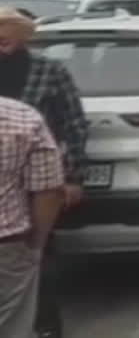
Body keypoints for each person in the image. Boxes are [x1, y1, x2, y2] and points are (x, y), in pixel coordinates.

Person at [0, 7, 87, 338]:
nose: (0, 36)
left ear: (22, 35)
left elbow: (75, 124)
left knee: (40, 257)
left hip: (40, 181)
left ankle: (47, 326)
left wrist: (73, 176)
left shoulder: (49, 71)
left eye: (7, 29)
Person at [0, 96, 64, 338]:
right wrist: (37, 244)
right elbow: (47, 189)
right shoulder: (24, 118)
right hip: (8, 246)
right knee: (12, 326)